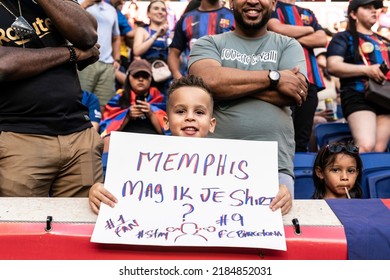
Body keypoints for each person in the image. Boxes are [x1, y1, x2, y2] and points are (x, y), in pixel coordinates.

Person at [90, 75, 292, 215]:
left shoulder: (233, 164)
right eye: (180, 111)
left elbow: (253, 194)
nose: (189, 118)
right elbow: (121, 190)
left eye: (199, 112)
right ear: (166, 122)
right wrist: (97, 190)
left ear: (211, 124)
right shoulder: (144, 160)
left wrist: (279, 191)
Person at [188, 0, 308, 200]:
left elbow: (294, 93)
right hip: (213, 163)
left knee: (274, 230)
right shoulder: (208, 43)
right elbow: (207, 82)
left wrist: (228, 85)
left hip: (274, 165)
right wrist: (274, 78)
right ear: (231, 3)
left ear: (273, 3)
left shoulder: (289, 45)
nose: (253, 1)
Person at [0, 0, 103, 197]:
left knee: (82, 222)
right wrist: (70, 53)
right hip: (19, 139)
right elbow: (3, 64)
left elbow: (88, 34)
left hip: (79, 137)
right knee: (22, 223)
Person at [327, 0, 390, 153]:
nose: (374, 11)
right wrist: (367, 70)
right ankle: (346, 175)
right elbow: (333, 65)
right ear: (353, 14)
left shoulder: (384, 40)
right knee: (365, 145)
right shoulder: (343, 37)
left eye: (375, 7)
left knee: (378, 150)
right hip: (357, 95)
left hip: (386, 98)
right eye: (367, 7)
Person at [268, 0, 327, 152]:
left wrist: (288, 36)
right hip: (280, 80)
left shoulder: (307, 12)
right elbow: (276, 28)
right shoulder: (272, 6)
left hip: (310, 80)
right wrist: (309, 29)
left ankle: (298, 174)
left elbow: (321, 39)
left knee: (302, 138)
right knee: (279, 137)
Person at [99, 59, 166, 152]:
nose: (141, 79)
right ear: (128, 77)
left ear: (151, 78)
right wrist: (127, 116)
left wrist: (151, 113)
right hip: (123, 145)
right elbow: (107, 132)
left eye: (145, 76)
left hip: (154, 146)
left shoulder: (160, 99)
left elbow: (167, 132)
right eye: (136, 75)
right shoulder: (117, 99)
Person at [168, 0, 235, 80]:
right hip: (195, 83)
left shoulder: (233, 16)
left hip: (227, 80)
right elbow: (174, 53)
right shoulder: (186, 19)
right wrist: (179, 78)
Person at [79, 0, 121, 113]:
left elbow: (116, 37)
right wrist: (86, 3)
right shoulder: (79, 2)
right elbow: (71, 21)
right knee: (81, 101)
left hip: (107, 64)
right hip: (85, 61)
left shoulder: (111, 9)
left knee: (104, 105)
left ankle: (99, 130)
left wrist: (117, 59)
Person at [132, 0, 171, 94]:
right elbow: (136, 51)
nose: (160, 12)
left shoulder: (170, 35)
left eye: (163, 10)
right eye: (156, 8)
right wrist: (156, 35)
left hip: (167, 76)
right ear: (148, 13)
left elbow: (178, 60)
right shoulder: (142, 31)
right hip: (147, 77)